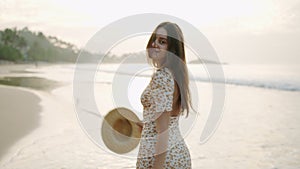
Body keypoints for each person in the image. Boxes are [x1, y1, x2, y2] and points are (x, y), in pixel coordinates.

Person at [136, 22, 193, 169]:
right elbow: (167, 120)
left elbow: (163, 130)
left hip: (163, 159)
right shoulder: (174, 75)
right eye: (154, 39)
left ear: (172, 49)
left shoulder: (162, 77)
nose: (155, 44)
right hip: (177, 155)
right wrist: (146, 124)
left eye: (162, 42)